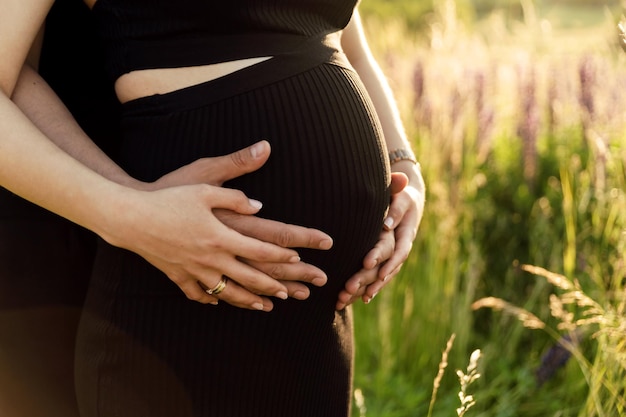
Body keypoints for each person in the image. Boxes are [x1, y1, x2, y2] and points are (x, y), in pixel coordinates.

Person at [0, 0, 425, 416]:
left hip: (316, 319)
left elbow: (343, 38)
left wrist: (404, 165)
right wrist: (129, 212)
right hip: (183, 303)